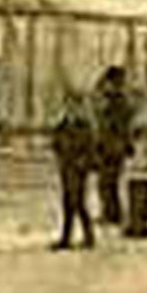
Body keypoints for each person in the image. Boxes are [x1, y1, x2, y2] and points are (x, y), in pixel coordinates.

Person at [50, 89, 98, 250]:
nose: (72, 109)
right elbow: (55, 143)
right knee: (67, 203)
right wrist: (60, 157)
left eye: (75, 106)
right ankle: (66, 237)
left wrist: (83, 162)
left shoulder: (85, 126)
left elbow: (91, 149)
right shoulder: (62, 125)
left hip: (78, 169)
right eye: (69, 105)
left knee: (78, 202)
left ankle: (88, 236)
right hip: (66, 167)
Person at [94, 65, 135, 225]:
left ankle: (112, 213)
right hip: (113, 144)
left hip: (112, 145)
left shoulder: (117, 101)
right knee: (109, 181)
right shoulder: (119, 99)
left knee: (107, 182)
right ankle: (112, 212)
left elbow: (114, 125)